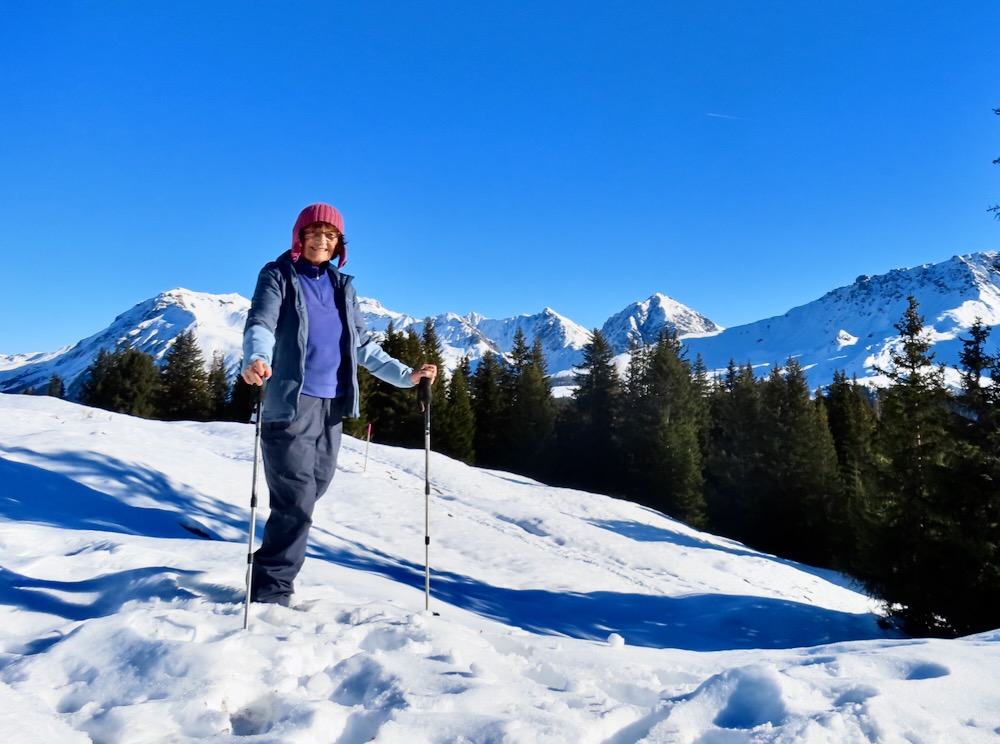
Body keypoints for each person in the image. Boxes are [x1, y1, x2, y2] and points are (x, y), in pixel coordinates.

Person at [241, 202, 437, 606]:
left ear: (339, 244)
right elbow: (261, 322)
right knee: (296, 499)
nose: (322, 241)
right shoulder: (278, 275)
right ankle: (272, 590)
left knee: (313, 489)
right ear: (300, 236)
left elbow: (362, 345)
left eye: (330, 235)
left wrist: (407, 376)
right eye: (315, 232)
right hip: (290, 403)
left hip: (332, 407)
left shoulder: (341, 286)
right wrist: (257, 357)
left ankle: (271, 571)